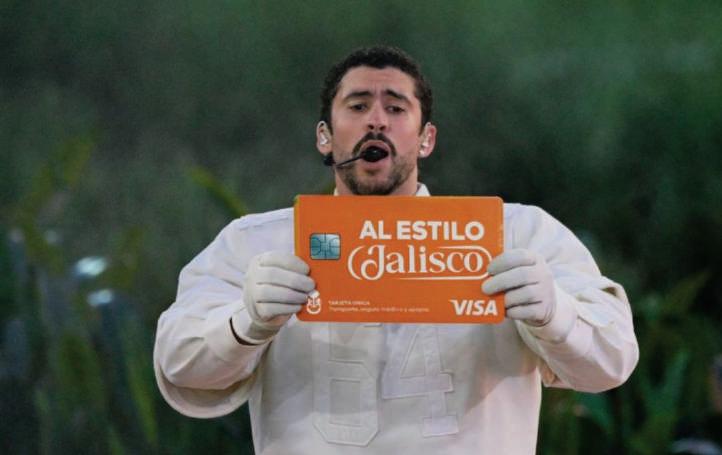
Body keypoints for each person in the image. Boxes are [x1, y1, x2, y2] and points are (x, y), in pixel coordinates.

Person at [154, 46, 638, 454]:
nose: (377, 121)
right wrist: (243, 324)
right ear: (325, 136)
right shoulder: (255, 243)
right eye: (358, 105)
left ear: (426, 139)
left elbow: (613, 361)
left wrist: (556, 314)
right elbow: (180, 367)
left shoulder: (519, 234)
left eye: (396, 108)